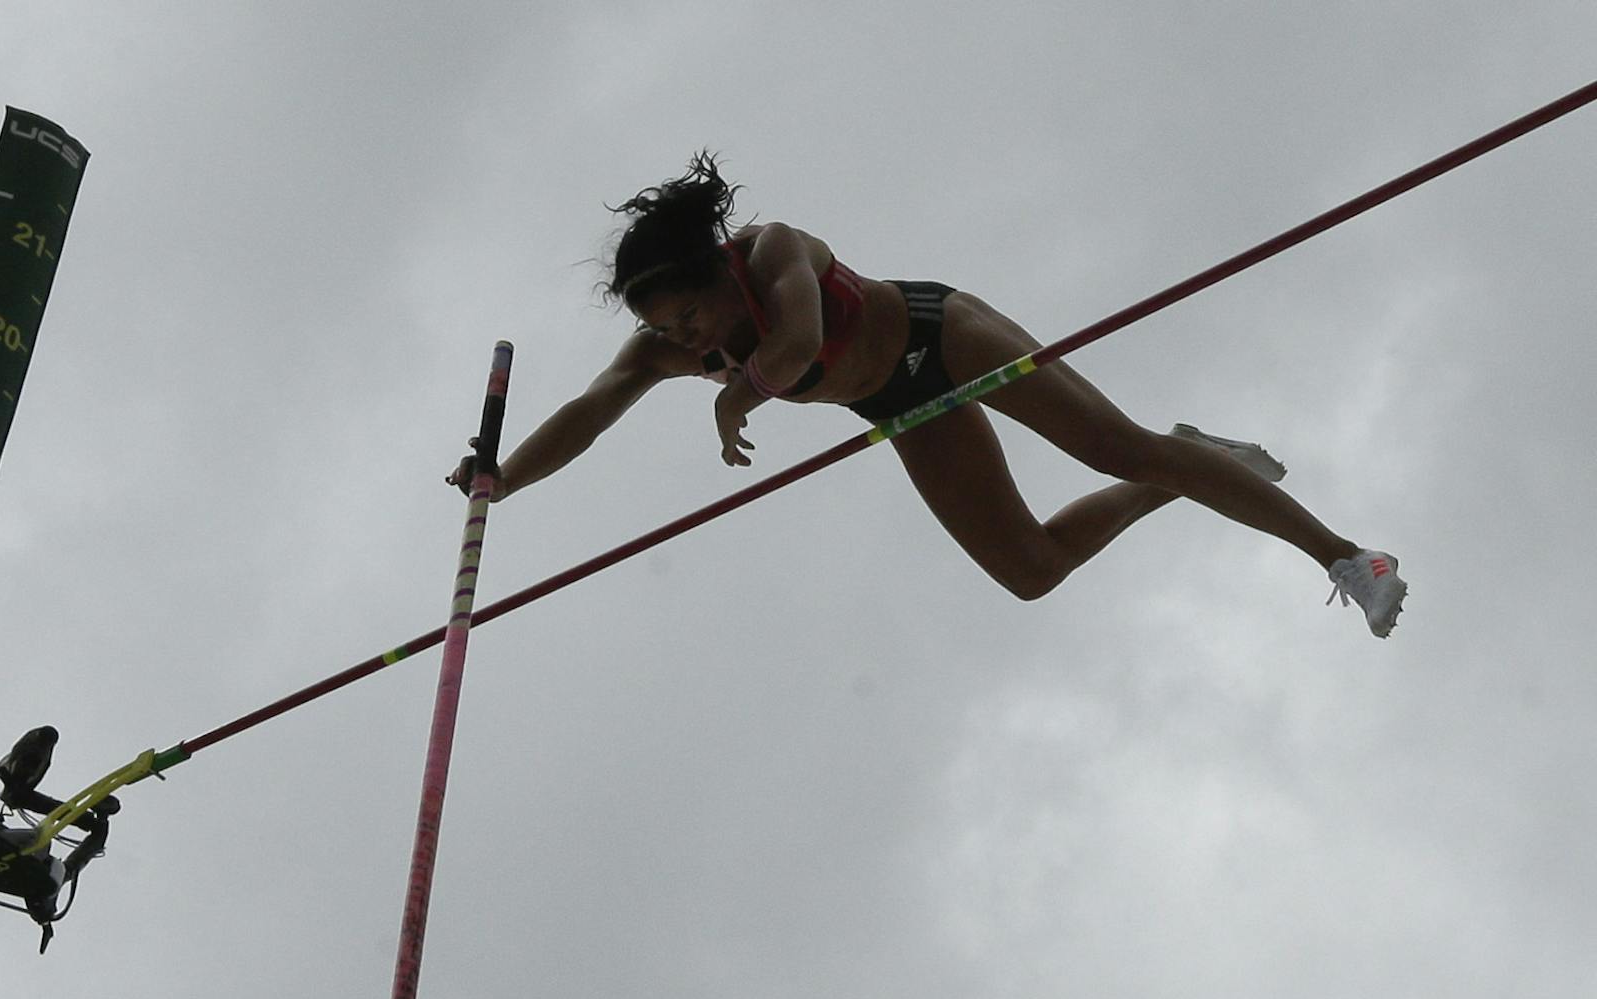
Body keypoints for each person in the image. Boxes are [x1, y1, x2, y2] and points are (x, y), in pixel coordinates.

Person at [456, 153, 1408, 638]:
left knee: (1114, 448)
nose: (680, 340)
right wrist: (501, 475)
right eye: (665, 332)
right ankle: (1201, 459)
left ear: (712, 271)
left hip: (940, 334)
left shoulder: (774, 250)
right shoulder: (664, 353)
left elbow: (794, 342)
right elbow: (587, 413)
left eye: (685, 316)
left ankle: (1344, 555)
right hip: (900, 408)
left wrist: (732, 399)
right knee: (1031, 570)